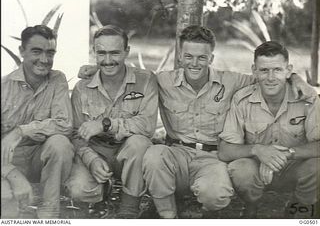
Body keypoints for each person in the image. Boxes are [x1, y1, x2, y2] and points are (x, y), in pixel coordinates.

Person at [78, 25, 313, 219]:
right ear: (180, 56)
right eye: (188, 56)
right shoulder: (162, 80)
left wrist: (296, 78)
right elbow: (128, 74)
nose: (194, 63)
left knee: (216, 194)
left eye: (202, 57)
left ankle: (208, 215)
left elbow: (269, 75)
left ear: (211, 57)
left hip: (213, 157)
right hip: (177, 152)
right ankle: (168, 216)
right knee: (153, 154)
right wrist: (96, 69)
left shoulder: (231, 81)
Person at [218, 41, 320, 218]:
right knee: (239, 168)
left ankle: (299, 206)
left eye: (277, 70)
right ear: (254, 70)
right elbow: (225, 151)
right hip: (256, 167)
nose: (271, 77)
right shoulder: (242, 99)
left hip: (294, 166)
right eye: (264, 70)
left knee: (317, 166)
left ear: (289, 70)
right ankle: (251, 206)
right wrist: (258, 150)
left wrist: (286, 153)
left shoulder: (307, 98)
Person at [66, 25, 158, 219]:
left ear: (127, 52)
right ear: (94, 53)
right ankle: (101, 191)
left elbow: (147, 126)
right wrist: (91, 160)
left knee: (139, 143)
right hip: (96, 150)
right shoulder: (82, 88)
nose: (108, 61)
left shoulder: (146, 80)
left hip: (128, 151)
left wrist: (105, 124)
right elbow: (75, 133)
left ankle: (129, 207)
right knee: (79, 190)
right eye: (102, 53)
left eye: (115, 53)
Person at [1, 25, 74, 218]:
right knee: (5, 198)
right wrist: (13, 175)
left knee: (60, 143)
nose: (44, 59)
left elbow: (65, 124)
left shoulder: (57, 79)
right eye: (36, 51)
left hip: (40, 161)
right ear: (22, 51)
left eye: (50, 53)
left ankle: (49, 213)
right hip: (6, 162)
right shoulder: (3, 87)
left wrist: (20, 131)